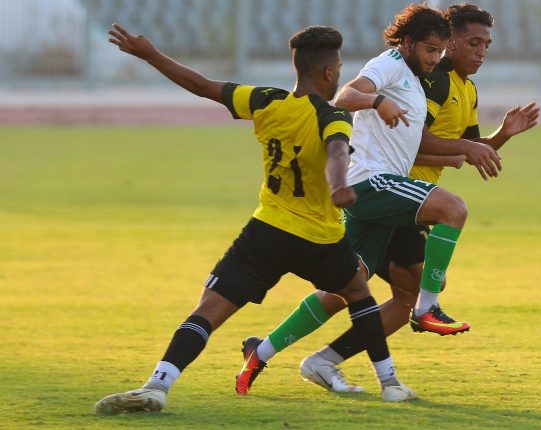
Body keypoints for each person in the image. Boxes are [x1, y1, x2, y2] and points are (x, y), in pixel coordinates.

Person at [94, 23, 415, 415]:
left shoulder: (265, 100)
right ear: (330, 72)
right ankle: (390, 384)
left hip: (267, 232)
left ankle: (157, 386)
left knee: (207, 310)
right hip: (319, 237)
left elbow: (202, 86)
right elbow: (336, 152)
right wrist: (337, 187)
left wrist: (151, 55)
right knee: (358, 293)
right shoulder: (333, 116)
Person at [234, 2, 504, 395]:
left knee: (346, 287)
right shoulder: (390, 63)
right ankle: (426, 308)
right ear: (407, 43)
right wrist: (378, 101)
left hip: (377, 192)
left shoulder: (416, 80)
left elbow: (424, 143)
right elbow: (345, 95)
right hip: (371, 182)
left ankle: (262, 351)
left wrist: (470, 146)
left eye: (439, 52)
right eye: (430, 50)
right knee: (453, 209)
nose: (435, 59)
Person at [294, 3, 540, 393]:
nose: (481, 52)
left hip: (410, 200)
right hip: (400, 194)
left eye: (487, 45)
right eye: (473, 42)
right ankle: (403, 326)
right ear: (450, 42)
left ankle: (292, 354)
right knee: (398, 283)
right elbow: (418, 143)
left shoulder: (465, 88)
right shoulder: (432, 81)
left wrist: (503, 135)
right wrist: (459, 149)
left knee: (361, 286)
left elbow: (469, 148)